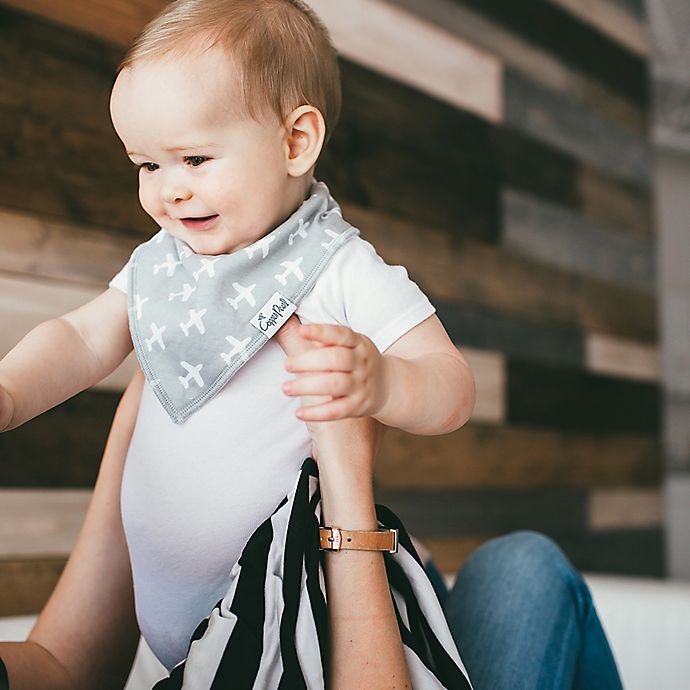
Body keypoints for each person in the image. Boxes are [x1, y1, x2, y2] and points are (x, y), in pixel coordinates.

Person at [0, 0, 475, 681]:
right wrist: (10, 393)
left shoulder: (336, 267)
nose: (168, 193)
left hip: (297, 624)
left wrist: (386, 381)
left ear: (295, 142)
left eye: (193, 157)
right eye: (146, 166)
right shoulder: (162, 264)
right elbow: (79, 337)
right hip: (186, 647)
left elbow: (452, 387)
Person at [0, 342, 623, 689]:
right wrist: (347, 476)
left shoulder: (165, 373)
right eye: (152, 165)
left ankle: (409, 585)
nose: (171, 192)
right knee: (524, 568)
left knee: (506, 566)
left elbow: (61, 664)